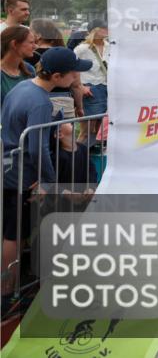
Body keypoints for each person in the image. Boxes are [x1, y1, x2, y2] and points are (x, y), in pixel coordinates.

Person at [2, 47, 92, 311]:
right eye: (73, 72)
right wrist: (51, 184)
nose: (76, 76)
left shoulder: (22, 87)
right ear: (56, 76)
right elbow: (37, 147)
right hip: (22, 174)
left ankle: (9, 291)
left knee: (12, 231)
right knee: (14, 234)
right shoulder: (40, 101)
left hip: (10, 168)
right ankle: (8, 294)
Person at [73, 21, 109, 121]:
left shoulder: (110, 46)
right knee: (87, 129)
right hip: (91, 89)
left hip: (108, 89)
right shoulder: (81, 49)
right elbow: (72, 69)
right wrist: (81, 87)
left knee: (101, 129)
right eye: (103, 27)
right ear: (94, 30)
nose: (107, 29)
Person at [1, 26, 37, 102]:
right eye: (31, 42)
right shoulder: (2, 75)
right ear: (14, 44)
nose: (35, 46)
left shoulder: (29, 70)